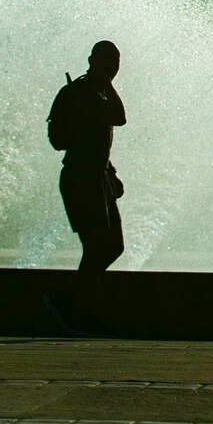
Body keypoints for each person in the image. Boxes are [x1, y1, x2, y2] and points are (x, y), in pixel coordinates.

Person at [43, 40, 127, 336]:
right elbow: (120, 117)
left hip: (98, 177)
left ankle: (74, 303)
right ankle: (74, 308)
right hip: (81, 178)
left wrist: (111, 172)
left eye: (115, 62)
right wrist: (106, 83)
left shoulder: (94, 92)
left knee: (113, 245)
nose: (112, 68)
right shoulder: (84, 93)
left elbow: (96, 139)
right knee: (95, 248)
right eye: (106, 62)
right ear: (92, 61)